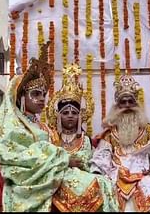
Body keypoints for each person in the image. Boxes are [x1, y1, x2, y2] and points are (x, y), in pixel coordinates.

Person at [0, 43, 117, 212]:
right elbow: (17, 157)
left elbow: (47, 150)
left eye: (43, 95)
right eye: (35, 94)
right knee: (97, 186)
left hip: (51, 172)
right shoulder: (11, 125)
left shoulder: (39, 125)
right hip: (30, 180)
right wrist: (64, 160)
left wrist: (65, 160)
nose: (42, 99)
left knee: (104, 182)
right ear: (20, 97)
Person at [44, 63, 119, 212]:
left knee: (103, 184)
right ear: (58, 117)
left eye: (74, 113)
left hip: (83, 182)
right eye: (65, 113)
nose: (70, 116)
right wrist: (66, 162)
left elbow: (87, 162)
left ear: (80, 115)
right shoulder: (50, 137)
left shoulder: (86, 140)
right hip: (57, 181)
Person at [90, 74, 150, 212]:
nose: (128, 106)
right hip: (116, 175)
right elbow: (102, 156)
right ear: (117, 106)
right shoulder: (110, 133)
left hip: (144, 175)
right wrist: (99, 174)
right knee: (107, 189)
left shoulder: (149, 131)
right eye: (123, 102)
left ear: (137, 104)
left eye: (131, 102)